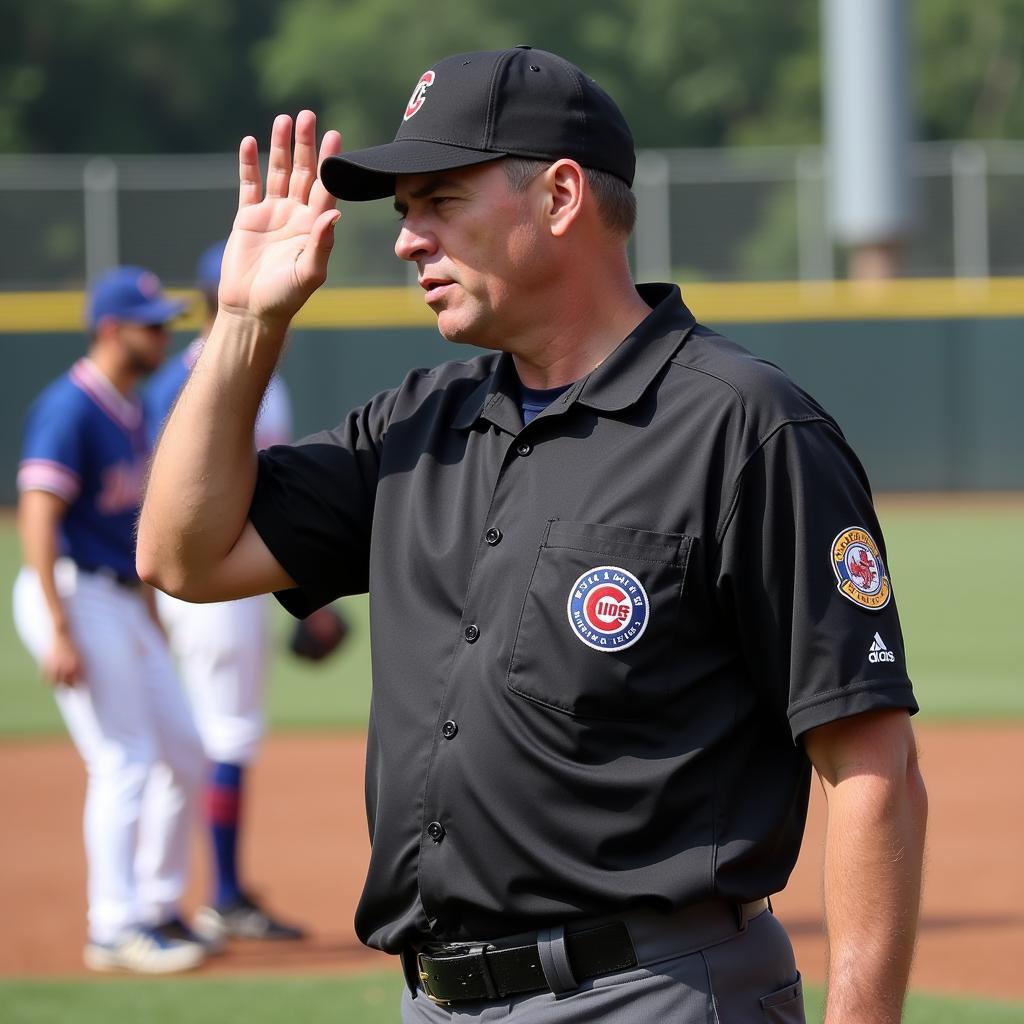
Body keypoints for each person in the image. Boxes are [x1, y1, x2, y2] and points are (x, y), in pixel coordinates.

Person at [138, 46, 928, 1023]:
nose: (406, 241)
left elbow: (871, 766)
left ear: (559, 195)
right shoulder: (415, 426)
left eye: (439, 201)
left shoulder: (745, 427)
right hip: (436, 999)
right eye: (403, 212)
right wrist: (245, 324)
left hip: (656, 992)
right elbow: (182, 554)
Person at [14, 266, 208, 974]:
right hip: (74, 592)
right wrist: (59, 626)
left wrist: (152, 615)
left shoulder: (129, 409)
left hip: (123, 598)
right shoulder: (71, 406)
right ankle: (113, 927)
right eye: (149, 323)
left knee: (185, 751)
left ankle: (157, 906)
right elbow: (38, 511)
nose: (162, 333)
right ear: (109, 329)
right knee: (123, 758)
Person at [144, 240, 309, 946]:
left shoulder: (221, 373)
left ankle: (204, 894)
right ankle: (222, 895)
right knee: (224, 733)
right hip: (212, 579)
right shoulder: (234, 376)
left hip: (212, 574)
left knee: (199, 733)